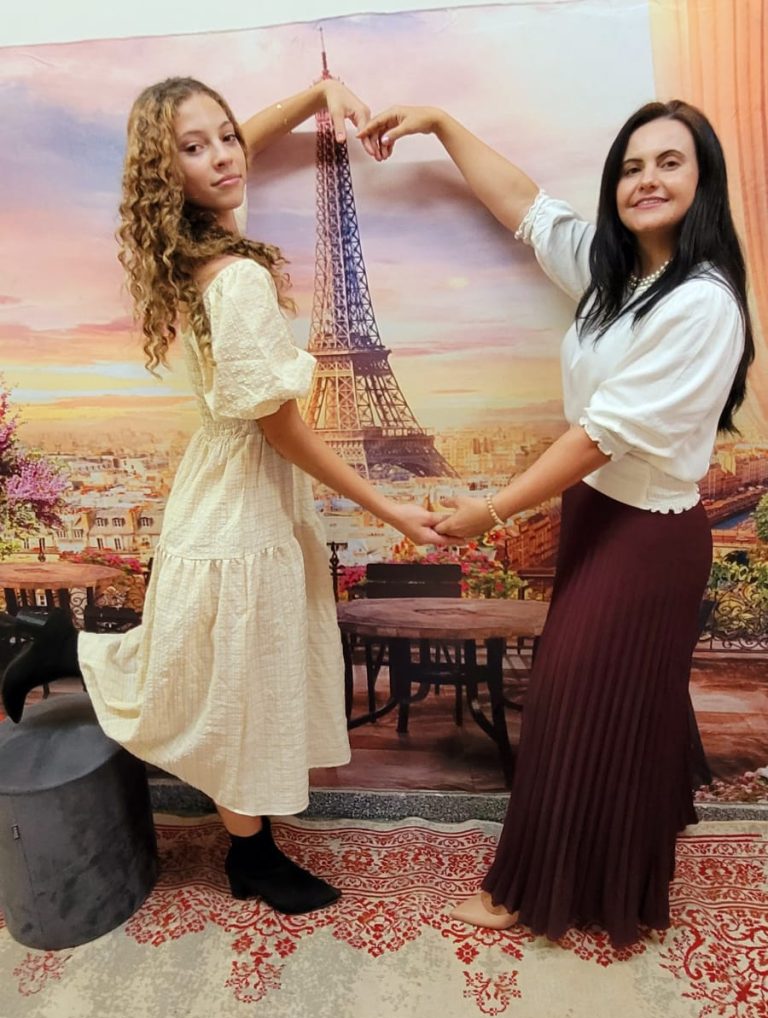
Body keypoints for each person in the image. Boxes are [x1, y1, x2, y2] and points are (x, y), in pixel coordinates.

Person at [1, 76, 449, 916]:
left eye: (227, 137)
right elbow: (283, 429)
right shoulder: (235, 277)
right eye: (193, 148)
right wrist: (391, 510)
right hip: (244, 505)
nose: (225, 157)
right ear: (166, 172)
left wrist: (316, 96)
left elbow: (234, 147)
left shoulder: (183, 246)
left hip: (217, 489)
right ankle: (252, 856)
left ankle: (65, 650)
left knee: (217, 670)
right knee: (240, 682)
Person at [359, 100, 754, 946]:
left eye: (670, 162)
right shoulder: (619, 276)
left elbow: (601, 434)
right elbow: (525, 206)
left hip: (646, 537)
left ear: (705, 180)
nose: (647, 180)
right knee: (623, 702)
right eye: (631, 166)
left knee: (571, 700)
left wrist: (492, 509)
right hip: (596, 513)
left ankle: (528, 889)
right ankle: (619, 857)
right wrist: (439, 123)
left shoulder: (703, 303)